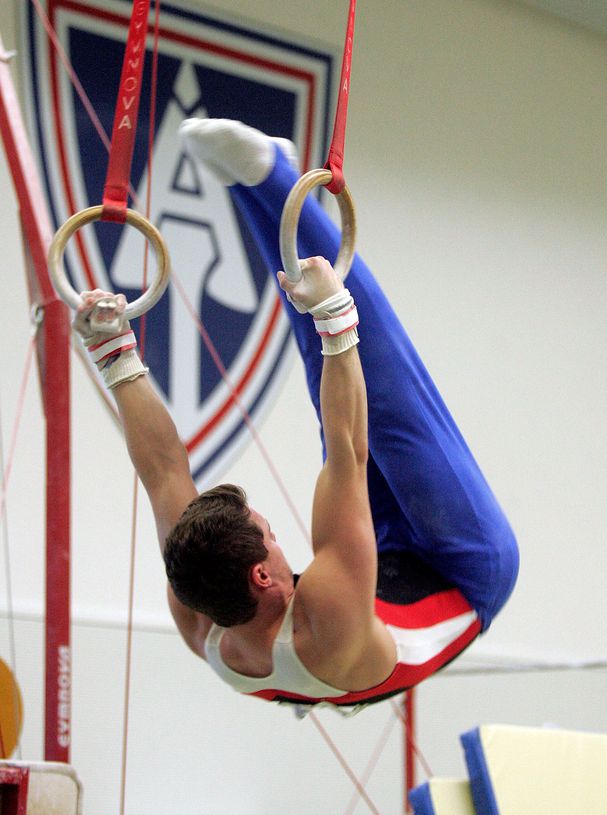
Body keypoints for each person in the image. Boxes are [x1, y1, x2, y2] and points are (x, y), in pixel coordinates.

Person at [73, 119, 518, 709]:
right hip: (467, 571)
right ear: (261, 576)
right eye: (271, 537)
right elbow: (347, 447)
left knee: (330, 376)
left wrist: (114, 354)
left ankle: (253, 181)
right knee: (382, 403)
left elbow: (163, 472)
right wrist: (335, 316)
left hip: (379, 570)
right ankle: (272, 179)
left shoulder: (199, 608)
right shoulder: (325, 627)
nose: (283, 544)